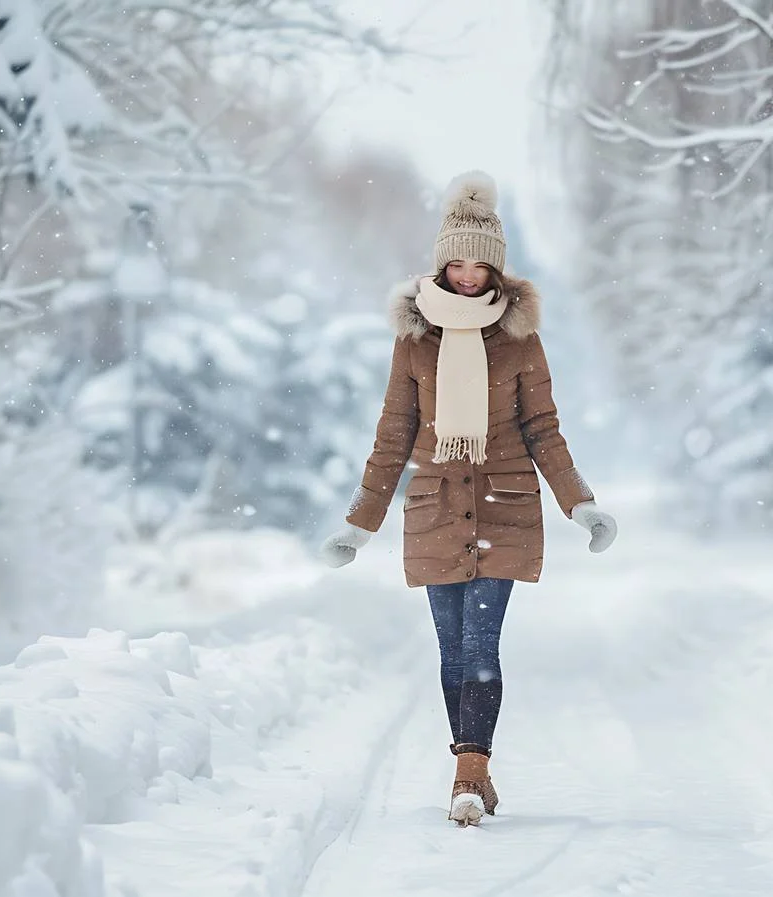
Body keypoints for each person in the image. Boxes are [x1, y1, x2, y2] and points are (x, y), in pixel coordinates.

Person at [318, 171, 617, 827]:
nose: (468, 274)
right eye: (457, 261)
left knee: (481, 645)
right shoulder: (414, 340)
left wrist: (580, 503)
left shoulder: (519, 338)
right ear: (442, 262)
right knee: (451, 652)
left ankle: (469, 774)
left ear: (497, 267)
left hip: (505, 505)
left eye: (480, 263)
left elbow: (544, 428)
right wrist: (359, 522)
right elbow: (394, 433)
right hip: (433, 507)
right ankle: (473, 766)